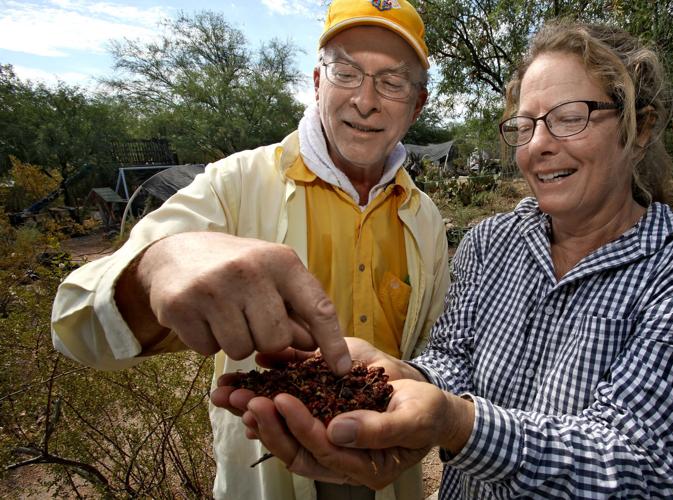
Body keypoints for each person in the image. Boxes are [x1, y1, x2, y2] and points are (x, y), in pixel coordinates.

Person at [227, 20, 673, 498]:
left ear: (641, 128)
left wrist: (457, 423)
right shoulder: (491, 241)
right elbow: (453, 357)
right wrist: (402, 377)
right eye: (524, 125)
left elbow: (638, 465)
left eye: (570, 116)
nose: (538, 144)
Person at [50, 0, 449, 498]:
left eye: (392, 82)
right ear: (318, 82)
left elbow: (435, 353)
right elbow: (75, 324)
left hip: (390, 483)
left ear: (418, 104)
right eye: (346, 72)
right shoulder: (233, 184)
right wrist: (154, 268)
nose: (365, 100)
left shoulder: (425, 218)